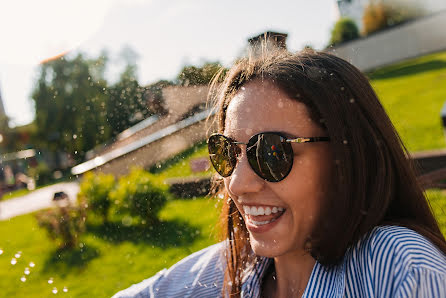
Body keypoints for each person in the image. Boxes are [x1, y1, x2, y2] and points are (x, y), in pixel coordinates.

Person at [114, 49, 446, 297]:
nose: (238, 184)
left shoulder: (396, 266)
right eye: (227, 151)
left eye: (272, 152)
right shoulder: (223, 271)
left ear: (345, 157)